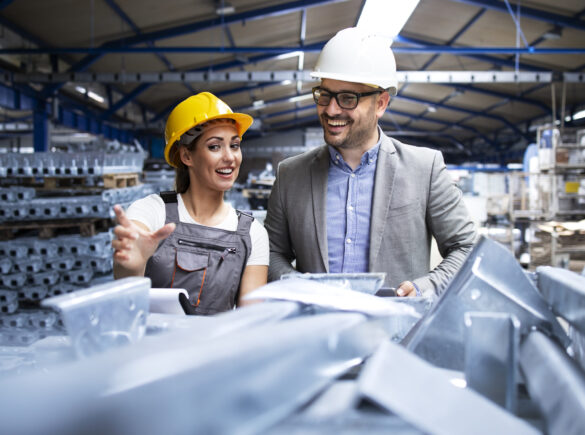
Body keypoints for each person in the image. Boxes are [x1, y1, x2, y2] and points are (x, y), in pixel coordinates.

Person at [264, 27, 476, 298]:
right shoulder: (291, 175)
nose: (331, 109)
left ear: (381, 104)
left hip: (396, 333)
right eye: (325, 95)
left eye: (347, 98)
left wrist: (427, 287)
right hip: (317, 332)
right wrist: (298, 285)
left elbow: (466, 248)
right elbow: (270, 252)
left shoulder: (425, 169)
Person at [112, 92, 269, 314]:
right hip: (155, 347)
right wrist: (132, 265)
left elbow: (250, 320)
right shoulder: (152, 211)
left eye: (234, 145)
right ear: (187, 156)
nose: (230, 157)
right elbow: (126, 286)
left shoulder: (253, 234)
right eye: (215, 146)